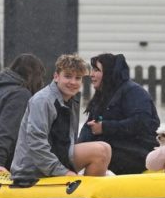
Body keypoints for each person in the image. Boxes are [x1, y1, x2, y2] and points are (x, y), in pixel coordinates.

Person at [10, 54, 111, 184]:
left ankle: (86, 196)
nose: (73, 82)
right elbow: (36, 143)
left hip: (55, 157)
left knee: (105, 148)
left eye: (78, 78)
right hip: (31, 169)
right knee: (100, 152)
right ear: (56, 76)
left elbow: (68, 139)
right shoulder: (43, 100)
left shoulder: (71, 99)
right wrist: (63, 172)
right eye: (68, 76)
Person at [78, 53, 160, 175]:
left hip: (136, 153)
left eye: (96, 70)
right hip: (112, 149)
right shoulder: (103, 95)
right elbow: (89, 127)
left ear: (109, 72)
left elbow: (143, 122)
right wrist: (76, 149)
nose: (92, 75)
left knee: (100, 153)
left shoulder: (133, 92)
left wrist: (105, 127)